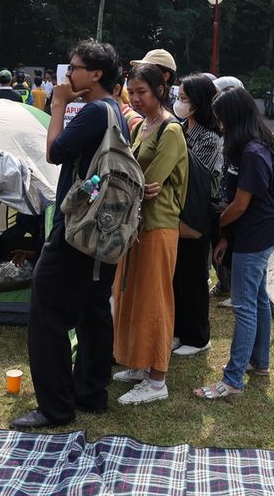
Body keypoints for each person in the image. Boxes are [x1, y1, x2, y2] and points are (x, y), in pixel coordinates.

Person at [12, 41, 130, 430]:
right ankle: (90, 393)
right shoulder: (116, 111)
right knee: (94, 309)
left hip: (77, 227)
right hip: (104, 229)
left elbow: (55, 152)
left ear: (96, 75)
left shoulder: (95, 110)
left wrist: (58, 103)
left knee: (46, 311)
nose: (67, 76)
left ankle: (55, 408)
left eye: (74, 68)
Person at [194, 88, 274, 400]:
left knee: (244, 306)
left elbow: (240, 206)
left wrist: (217, 226)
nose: (219, 125)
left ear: (234, 117)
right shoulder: (245, 147)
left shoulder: (253, 153)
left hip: (255, 236)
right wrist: (224, 237)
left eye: (221, 119)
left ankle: (232, 380)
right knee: (257, 299)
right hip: (248, 235)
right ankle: (259, 363)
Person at [111, 63, 188, 406]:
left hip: (158, 225)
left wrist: (133, 182)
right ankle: (139, 363)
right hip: (136, 224)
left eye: (142, 92)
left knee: (155, 300)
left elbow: (148, 183)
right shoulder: (143, 125)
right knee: (130, 294)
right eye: (133, 92)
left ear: (160, 90)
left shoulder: (170, 130)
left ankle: (157, 379)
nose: (137, 99)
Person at [171, 74, 222, 357]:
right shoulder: (179, 128)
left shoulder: (209, 138)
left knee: (193, 276)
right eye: (178, 97)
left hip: (196, 214)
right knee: (176, 276)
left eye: (184, 99)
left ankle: (198, 337)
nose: (179, 103)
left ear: (199, 103)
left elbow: (194, 176)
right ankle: (178, 331)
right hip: (175, 212)